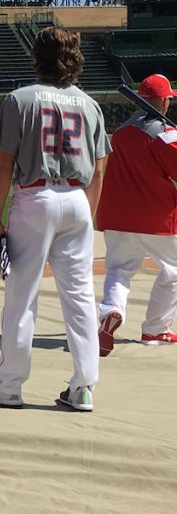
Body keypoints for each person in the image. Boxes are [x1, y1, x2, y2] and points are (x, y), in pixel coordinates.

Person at [0, 26, 110, 412]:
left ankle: (10, 386)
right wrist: (88, 215)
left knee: (21, 295)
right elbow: (99, 169)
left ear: (38, 57)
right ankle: (84, 386)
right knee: (80, 297)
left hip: (36, 196)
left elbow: (4, 163)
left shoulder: (19, 99)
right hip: (77, 200)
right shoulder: (90, 103)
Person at [96, 73, 177, 353]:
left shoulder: (121, 129)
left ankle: (110, 310)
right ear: (164, 100)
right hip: (154, 216)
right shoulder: (164, 132)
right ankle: (156, 329)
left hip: (117, 215)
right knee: (173, 271)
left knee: (119, 270)